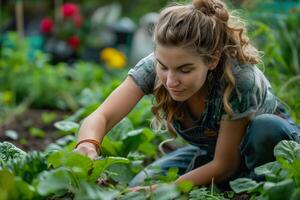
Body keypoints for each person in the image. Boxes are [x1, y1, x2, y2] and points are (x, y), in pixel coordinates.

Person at [74, 0, 300, 190]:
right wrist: (87, 144)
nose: (171, 80)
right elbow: (100, 116)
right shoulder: (154, 67)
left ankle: (253, 188)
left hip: (265, 148)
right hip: (212, 154)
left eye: (185, 70)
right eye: (163, 66)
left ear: (212, 59)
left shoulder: (240, 79)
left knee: (265, 127)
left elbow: (225, 164)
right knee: (139, 185)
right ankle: (225, 183)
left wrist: (166, 191)